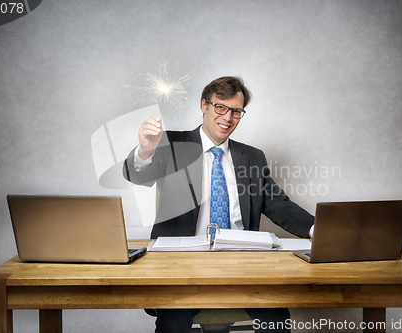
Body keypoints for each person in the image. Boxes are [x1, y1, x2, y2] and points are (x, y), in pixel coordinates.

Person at [123, 76, 314, 333]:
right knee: (173, 325)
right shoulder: (172, 145)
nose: (227, 117)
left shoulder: (253, 157)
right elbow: (137, 174)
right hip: (182, 267)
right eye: (220, 107)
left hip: (243, 266)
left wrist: (318, 230)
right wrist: (145, 150)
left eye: (236, 111)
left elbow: (277, 204)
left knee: (277, 319)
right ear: (204, 105)